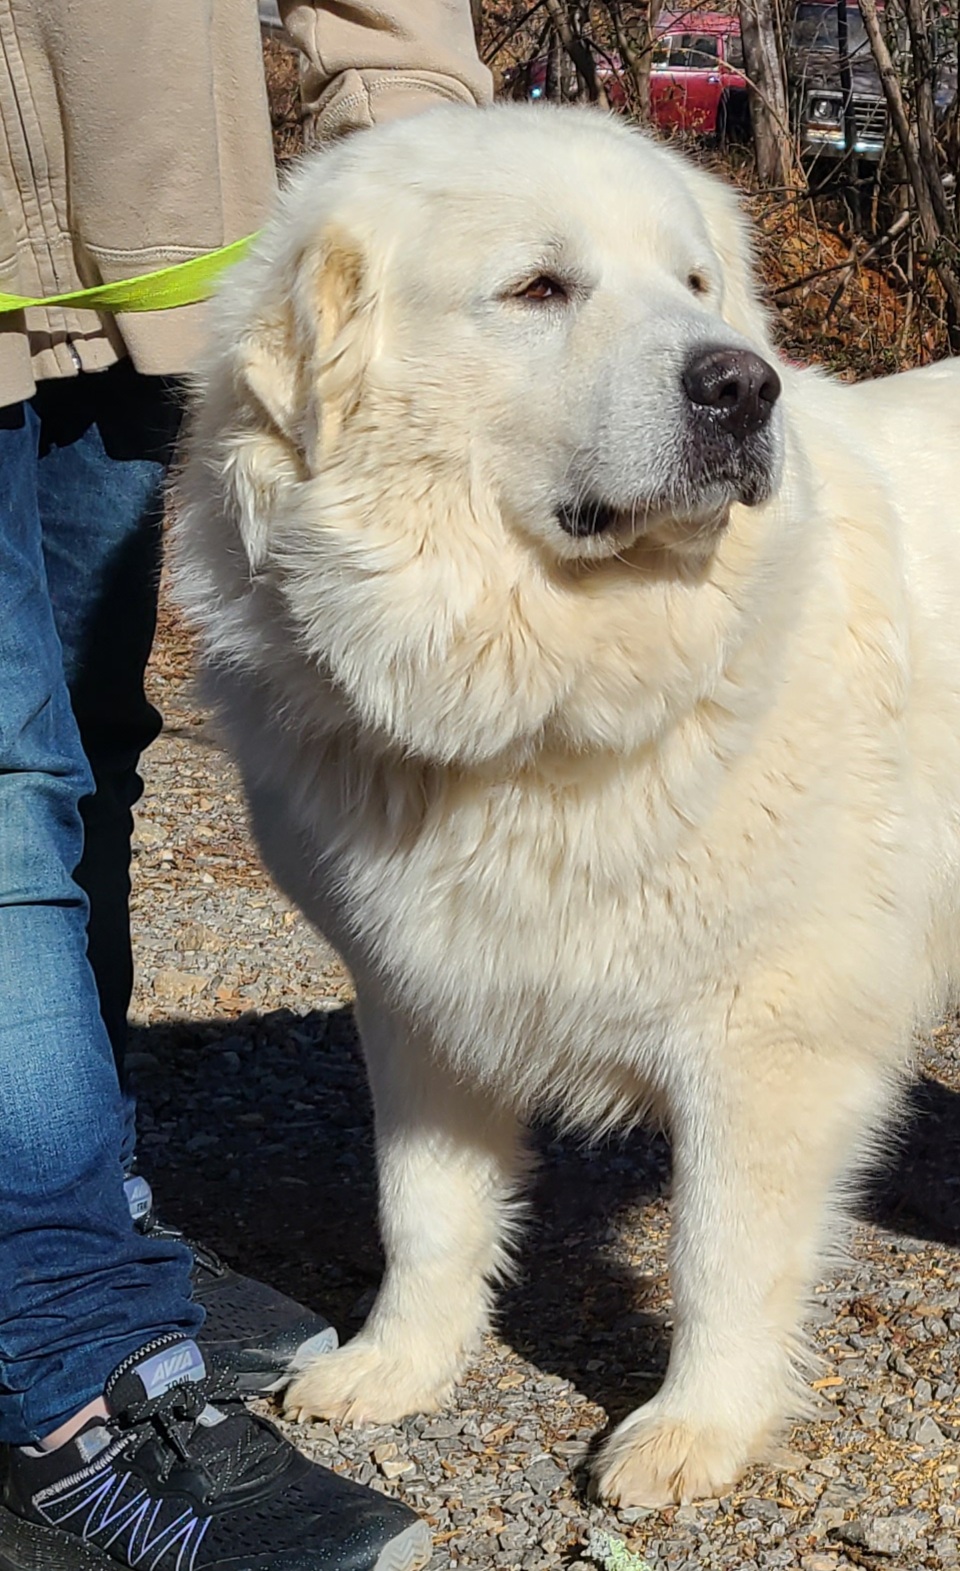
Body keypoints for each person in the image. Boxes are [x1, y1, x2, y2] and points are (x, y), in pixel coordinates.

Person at [0, 6, 491, 1569]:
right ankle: (65, 1392)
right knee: (4, 783)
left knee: (85, 743)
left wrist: (424, 165)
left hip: (157, 250)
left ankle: (80, 1220)